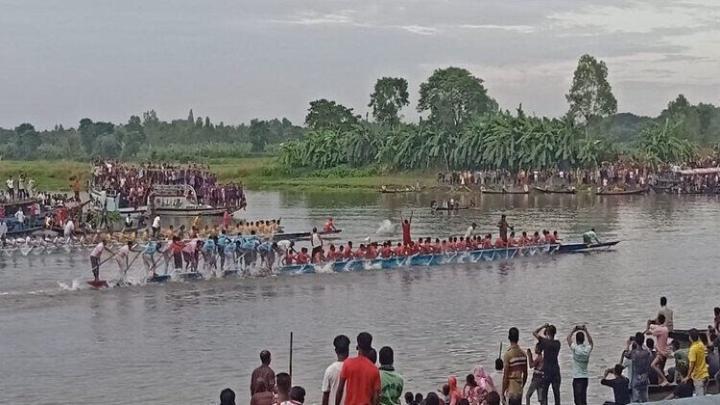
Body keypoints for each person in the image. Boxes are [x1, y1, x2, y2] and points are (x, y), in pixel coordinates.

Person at [336, 332, 381, 405]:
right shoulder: (374, 369)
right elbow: (376, 396)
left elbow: (340, 389)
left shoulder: (348, 364)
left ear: (358, 347)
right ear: (370, 347)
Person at [533, 324, 560, 405]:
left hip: (547, 372)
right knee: (557, 395)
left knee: (544, 396)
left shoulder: (545, 342)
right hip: (555, 371)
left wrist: (543, 326)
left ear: (547, 333)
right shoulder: (557, 344)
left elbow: (534, 332)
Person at [567, 325, 593, 405]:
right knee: (583, 399)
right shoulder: (587, 349)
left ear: (577, 340)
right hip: (585, 377)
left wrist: (573, 330)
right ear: (583, 340)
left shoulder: (575, 349)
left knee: (577, 400)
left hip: (577, 378)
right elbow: (591, 343)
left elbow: (568, 339)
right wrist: (586, 330)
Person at [502, 327, 528, 405]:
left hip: (511, 388)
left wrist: (502, 392)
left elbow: (505, 376)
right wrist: (521, 386)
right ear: (518, 338)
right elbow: (525, 374)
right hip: (519, 388)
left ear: (509, 338)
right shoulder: (523, 354)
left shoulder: (508, 354)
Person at [323, 335, 351, 405]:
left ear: (336, 351)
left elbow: (325, 395)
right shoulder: (354, 368)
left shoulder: (330, 370)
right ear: (348, 350)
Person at [624, 332, 651, 402]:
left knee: (636, 399)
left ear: (636, 341)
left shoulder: (634, 353)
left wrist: (628, 345)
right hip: (645, 377)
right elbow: (648, 351)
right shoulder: (647, 353)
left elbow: (626, 354)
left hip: (636, 378)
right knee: (645, 398)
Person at [645, 314, 670, 385]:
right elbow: (654, 327)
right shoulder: (665, 329)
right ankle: (661, 384)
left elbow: (647, 333)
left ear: (658, 321)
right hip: (665, 352)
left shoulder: (659, 330)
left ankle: (665, 380)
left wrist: (647, 325)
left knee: (653, 365)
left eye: (657, 319)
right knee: (660, 370)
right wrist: (652, 324)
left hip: (660, 352)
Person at [684, 328, 709, 396]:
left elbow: (692, 364)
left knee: (700, 400)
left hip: (699, 377)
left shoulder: (693, 349)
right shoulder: (701, 345)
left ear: (690, 337)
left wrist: (688, 376)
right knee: (704, 398)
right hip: (705, 374)